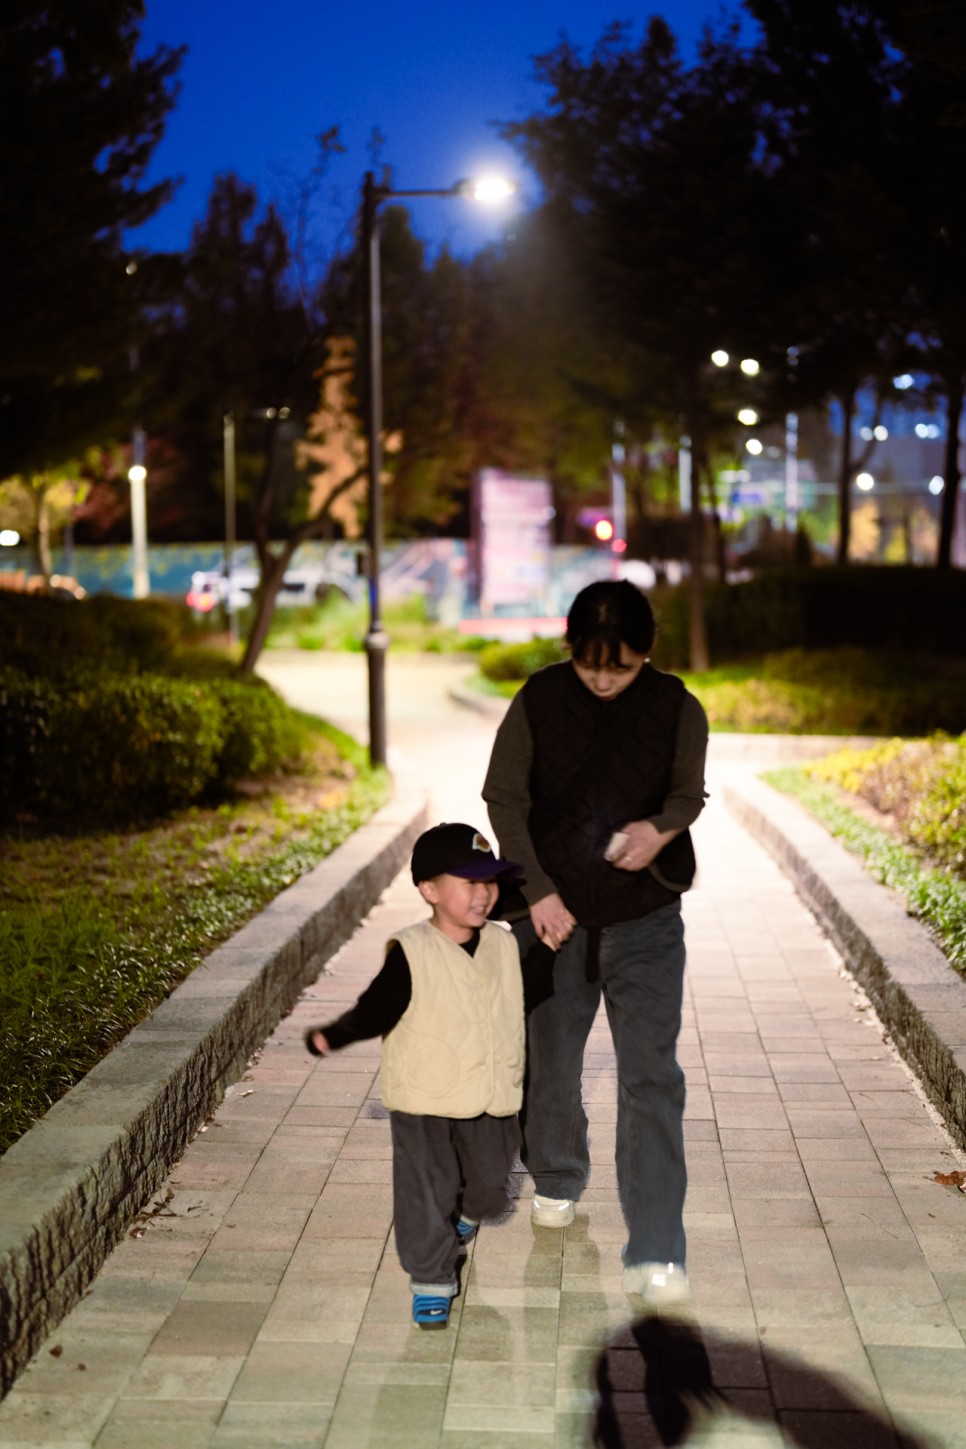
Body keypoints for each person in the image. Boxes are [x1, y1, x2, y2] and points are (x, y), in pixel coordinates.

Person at [482, 580, 708, 1307]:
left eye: (622, 666)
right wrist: (538, 892)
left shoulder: (676, 705)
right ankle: (555, 1174)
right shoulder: (539, 700)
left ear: (648, 653)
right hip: (553, 918)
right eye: (591, 665)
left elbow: (687, 791)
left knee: (652, 1078)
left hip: (646, 920)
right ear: (571, 650)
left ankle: (655, 1245)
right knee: (550, 1060)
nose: (605, 679)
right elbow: (504, 799)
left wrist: (660, 830)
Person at [304, 821, 525, 1330]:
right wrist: (335, 1034)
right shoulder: (411, 951)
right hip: (424, 1096)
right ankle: (431, 1278)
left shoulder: (504, 943)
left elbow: (523, 999)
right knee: (427, 1187)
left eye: (489, 881)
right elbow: (375, 1008)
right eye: (469, 882)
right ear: (429, 890)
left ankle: (467, 1212)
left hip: (490, 1093)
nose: (484, 893)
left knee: (492, 1189)